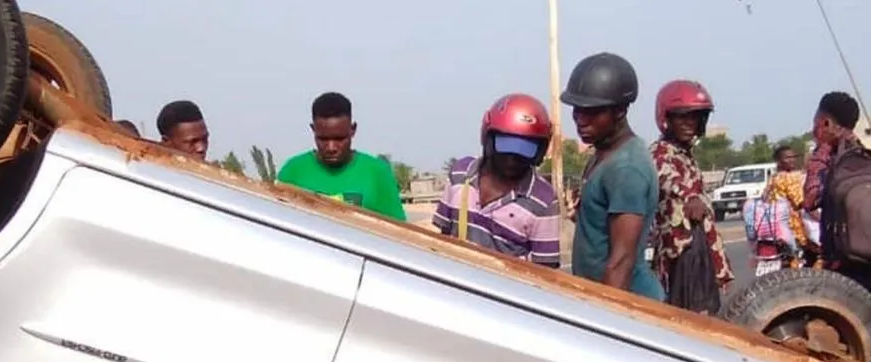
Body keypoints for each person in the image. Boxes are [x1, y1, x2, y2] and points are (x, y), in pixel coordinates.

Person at [561, 52, 663, 300]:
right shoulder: (603, 155)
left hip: (629, 302)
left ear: (619, 111)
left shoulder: (626, 169)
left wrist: (604, 322)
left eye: (592, 111)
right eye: (577, 109)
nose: (581, 120)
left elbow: (621, 261)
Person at [432, 93, 561, 267]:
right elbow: (443, 237)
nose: (512, 160)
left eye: (522, 153)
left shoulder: (543, 200)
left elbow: (546, 270)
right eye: (505, 150)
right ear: (488, 140)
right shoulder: (460, 174)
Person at [648, 79, 734, 292]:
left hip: (699, 249)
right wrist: (689, 197)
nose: (690, 124)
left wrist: (720, 264)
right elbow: (667, 179)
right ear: (666, 118)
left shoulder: (686, 155)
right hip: (679, 253)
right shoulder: (660, 153)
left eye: (695, 118)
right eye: (682, 117)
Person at [276, 92, 406, 221]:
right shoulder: (292, 172)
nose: (331, 147)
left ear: (353, 129)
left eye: (339, 139)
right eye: (323, 139)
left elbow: (398, 233)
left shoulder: (377, 173)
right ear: (313, 129)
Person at [803, 91, 871, 288]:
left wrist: (819, 154)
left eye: (816, 123)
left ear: (826, 123)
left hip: (842, 258)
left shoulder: (830, 157)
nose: (813, 130)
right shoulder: (864, 154)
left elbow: (810, 200)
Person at [763, 145, 817, 267]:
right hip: (795, 227)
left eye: (794, 157)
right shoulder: (790, 178)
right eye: (787, 157)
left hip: (776, 227)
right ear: (779, 161)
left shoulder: (773, 178)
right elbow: (803, 203)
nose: (792, 160)